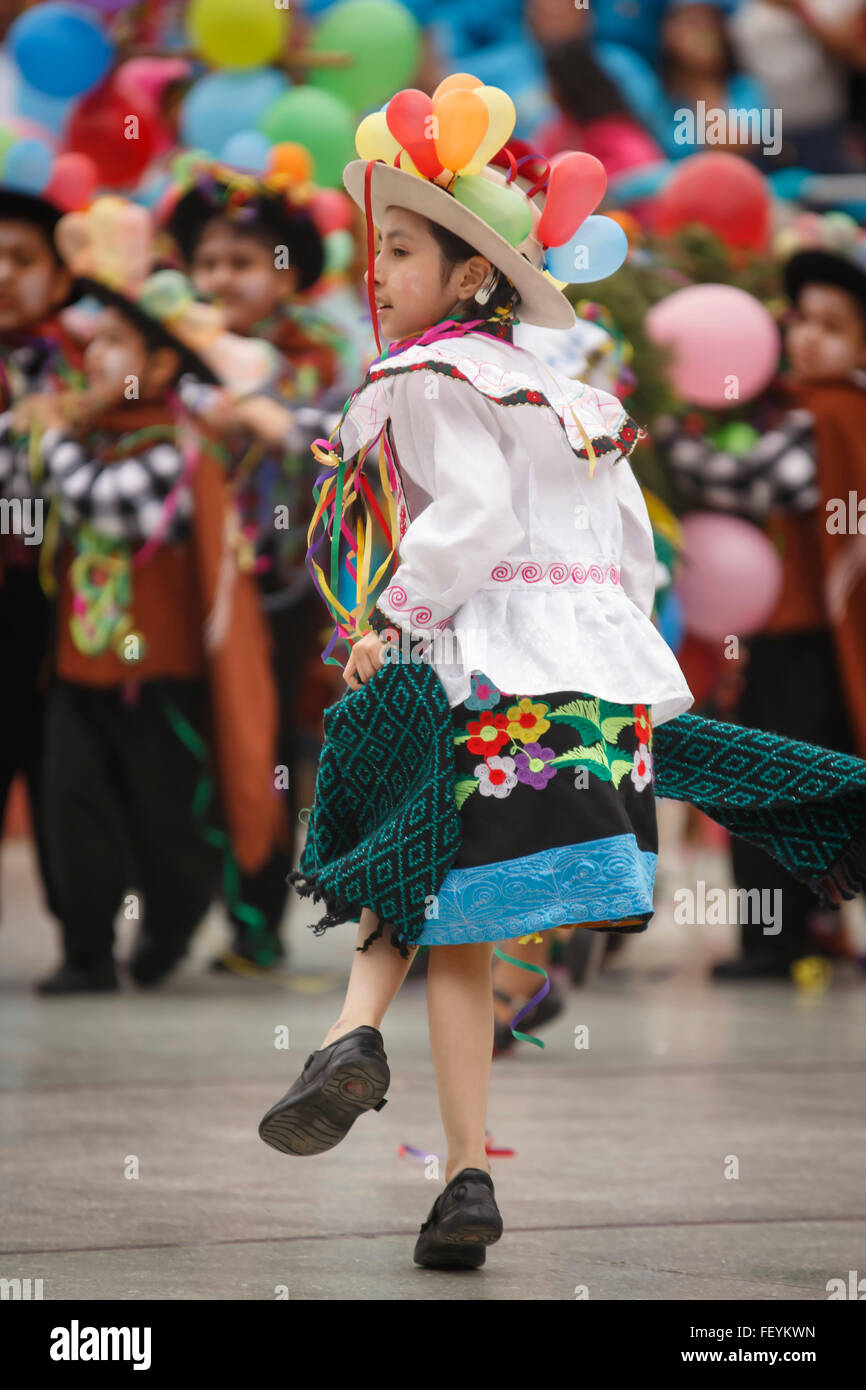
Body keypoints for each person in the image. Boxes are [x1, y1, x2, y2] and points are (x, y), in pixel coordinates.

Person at [256, 80, 694, 1269]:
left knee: (398, 851)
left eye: (401, 250)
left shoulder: (427, 379)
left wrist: (392, 618)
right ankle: (461, 1180)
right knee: (455, 923)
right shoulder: (573, 396)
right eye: (377, 248)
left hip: (477, 667)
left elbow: (477, 517)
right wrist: (625, 688)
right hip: (582, 701)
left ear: (467, 277)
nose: (378, 271)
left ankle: (349, 1037)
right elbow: (629, 553)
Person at [3, 196, 284, 993]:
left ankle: (165, 933)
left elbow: (105, 502)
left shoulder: (170, 445)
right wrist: (47, 427)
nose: (93, 355)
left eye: (117, 343)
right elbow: (10, 484)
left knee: (168, 818)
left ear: (161, 367)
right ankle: (85, 951)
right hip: (78, 667)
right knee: (72, 808)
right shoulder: (76, 428)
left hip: (155, 673)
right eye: (93, 341)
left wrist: (51, 432)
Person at [654, 230, 866, 976]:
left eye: (832, 326)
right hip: (794, 634)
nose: (807, 338)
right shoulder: (804, 404)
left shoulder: (830, 412)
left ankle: (776, 939)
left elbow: (765, 483)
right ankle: (800, 929)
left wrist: (665, 440)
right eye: (801, 319)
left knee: (773, 783)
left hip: (803, 634)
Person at [162, 157, 350, 972]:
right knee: (175, 742)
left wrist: (275, 419)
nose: (222, 278)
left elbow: (342, 445)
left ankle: (253, 919)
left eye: (243, 262)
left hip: (274, 592)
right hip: (178, 585)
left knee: (263, 744)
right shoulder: (167, 350)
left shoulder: (316, 355)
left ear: (285, 271)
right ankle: (164, 916)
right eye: (207, 263)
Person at [0, 176, 79, 932]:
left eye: (21, 257)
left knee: (69, 774)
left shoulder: (94, 362)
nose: (2, 273)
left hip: (71, 604)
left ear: (59, 278)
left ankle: (86, 943)